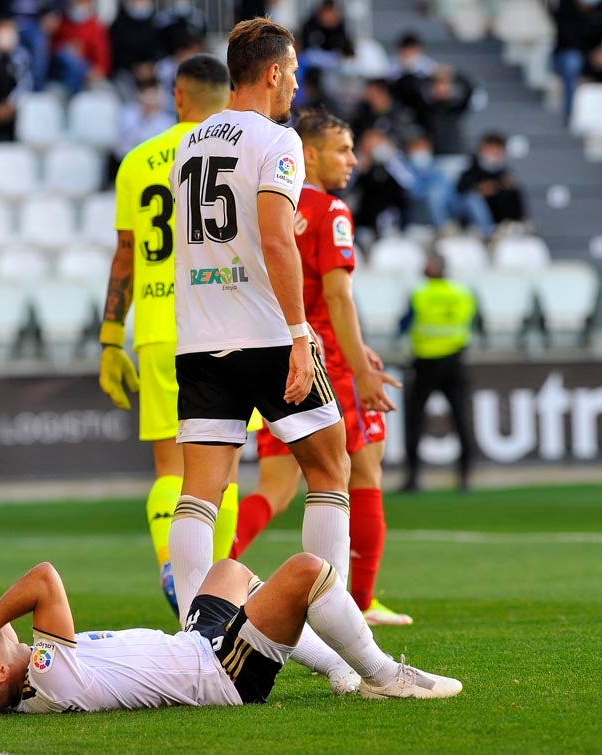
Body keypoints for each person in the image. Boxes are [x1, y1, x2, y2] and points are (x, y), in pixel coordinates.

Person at [166, 18, 351, 623]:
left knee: (201, 493)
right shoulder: (278, 141)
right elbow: (277, 240)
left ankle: (198, 632)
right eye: (293, 72)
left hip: (198, 338)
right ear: (273, 73)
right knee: (329, 467)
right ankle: (336, 623)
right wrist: (301, 335)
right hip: (267, 334)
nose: (296, 84)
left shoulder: (188, 143)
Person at [229, 110, 409, 627]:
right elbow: (337, 296)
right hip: (326, 364)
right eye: (342, 149)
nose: (352, 159)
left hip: (272, 359)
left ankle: (203, 579)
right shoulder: (330, 211)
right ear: (308, 154)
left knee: (274, 490)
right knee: (363, 472)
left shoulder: (267, 205)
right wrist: (361, 367)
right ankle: (361, 604)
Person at [0, 555, 462, 715]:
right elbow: (44, 578)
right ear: (1, 671)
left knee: (228, 571)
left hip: (195, 646)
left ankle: (336, 667)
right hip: (222, 676)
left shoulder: (20, 670)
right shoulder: (47, 677)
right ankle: (383, 675)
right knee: (307, 572)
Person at [100, 54, 239, 616]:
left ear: (178, 95)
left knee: (170, 468)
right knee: (223, 468)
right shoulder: (235, 150)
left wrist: (111, 336)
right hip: (227, 323)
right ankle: (215, 595)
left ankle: (170, 566)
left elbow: (127, 254)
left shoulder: (137, 162)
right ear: (226, 98)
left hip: (160, 326)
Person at [398, 255, 479, 493]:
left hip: (424, 363)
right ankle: (465, 478)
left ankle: (413, 479)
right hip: (455, 361)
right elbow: (474, 322)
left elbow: (404, 325)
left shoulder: (419, 293)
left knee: (414, 421)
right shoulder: (462, 293)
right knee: (462, 418)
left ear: (430, 268)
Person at [550, 0, 602, 121]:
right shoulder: (565, 8)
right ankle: (571, 113)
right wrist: (591, 54)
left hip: (596, 57)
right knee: (572, 61)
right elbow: (567, 39)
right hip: (568, 56)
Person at [456, 132, 527, 239]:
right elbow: (460, 189)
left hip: (498, 218)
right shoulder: (470, 169)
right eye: (490, 149)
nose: (493, 153)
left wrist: (501, 188)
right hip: (472, 220)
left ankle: (511, 226)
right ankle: (487, 235)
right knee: (472, 199)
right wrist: (478, 188)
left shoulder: (504, 174)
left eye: (496, 150)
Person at [50, 0, 111, 95]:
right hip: (62, 69)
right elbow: (50, 49)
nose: (76, 6)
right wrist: (65, 48)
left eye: (80, 3)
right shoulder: (61, 22)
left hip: (86, 69)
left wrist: (98, 70)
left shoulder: (94, 25)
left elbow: (102, 55)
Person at [115, 73, 176, 160]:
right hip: (130, 160)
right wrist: (143, 117)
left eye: (153, 93)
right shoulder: (127, 113)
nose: (150, 98)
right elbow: (121, 148)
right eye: (146, 94)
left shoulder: (167, 120)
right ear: (139, 94)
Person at [109, 0, 160, 77]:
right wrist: (135, 67)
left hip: (152, 70)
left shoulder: (155, 23)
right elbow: (117, 53)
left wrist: (151, 64)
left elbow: (159, 47)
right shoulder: (118, 26)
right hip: (126, 73)